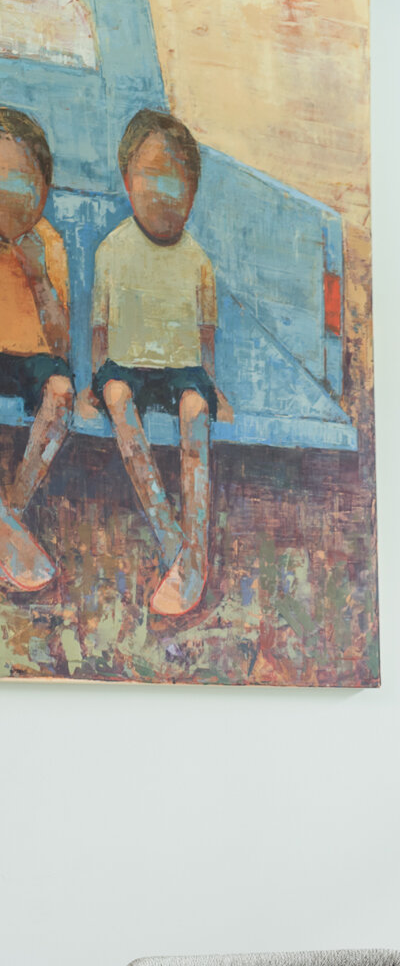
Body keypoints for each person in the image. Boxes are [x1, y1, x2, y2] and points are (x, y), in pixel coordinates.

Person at [81, 108, 232, 618]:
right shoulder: (111, 251)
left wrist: (213, 387)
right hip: (125, 366)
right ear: (127, 180)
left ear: (193, 192)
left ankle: (198, 548)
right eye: (150, 174)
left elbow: (205, 337)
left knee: (195, 408)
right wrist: (94, 379)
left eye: (177, 179)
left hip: (179, 369)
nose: (164, 190)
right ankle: (172, 540)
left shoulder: (198, 262)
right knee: (117, 396)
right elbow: (99, 328)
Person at [0, 108, 74, 595]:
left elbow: (62, 342)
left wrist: (38, 277)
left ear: (44, 189)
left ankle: (11, 513)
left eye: (22, 180)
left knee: (62, 391)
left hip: (32, 359)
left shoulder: (47, 243)